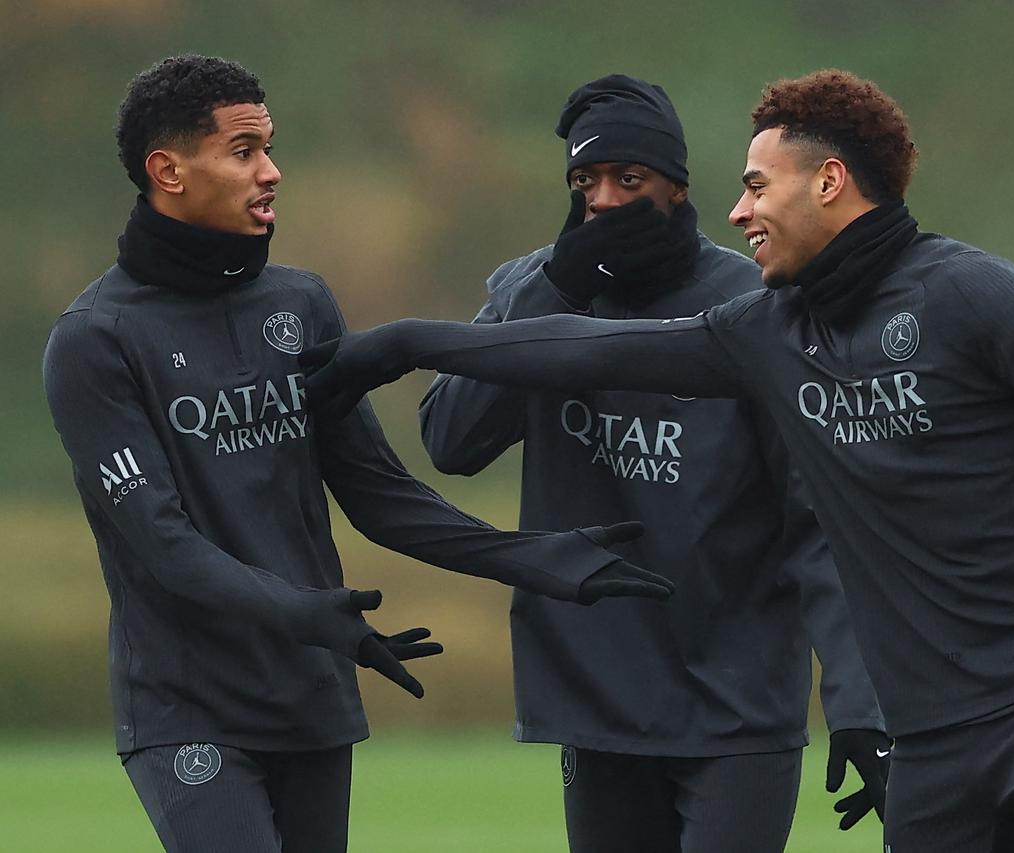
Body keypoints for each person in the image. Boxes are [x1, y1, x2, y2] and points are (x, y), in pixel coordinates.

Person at [302, 68, 1014, 852]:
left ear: (828, 182)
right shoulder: (766, 331)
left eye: (756, 186)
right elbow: (585, 349)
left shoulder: (967, 289)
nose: (739, 211)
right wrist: (404, 343)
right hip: (933, 729)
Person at [42, 55, 672, 853]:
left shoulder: (299, 302)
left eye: (269, 148)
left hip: (313, 690)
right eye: (244, 152)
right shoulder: (94, 340)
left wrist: (528, 556)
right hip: (186, 704)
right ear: (168, 170)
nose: (271, 171)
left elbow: (380, 495)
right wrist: (301, 610)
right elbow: (163, 545)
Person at [418, 75, 887, 853]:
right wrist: (557, 290)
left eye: (629, 178)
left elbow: (821, 526)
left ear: (677, 186)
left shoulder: (759, 306)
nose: (604, 199)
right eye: (585, 181)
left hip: (736, 707)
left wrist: (859, 701)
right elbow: (451, 440)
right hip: (597, 703)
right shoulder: (534, 288)